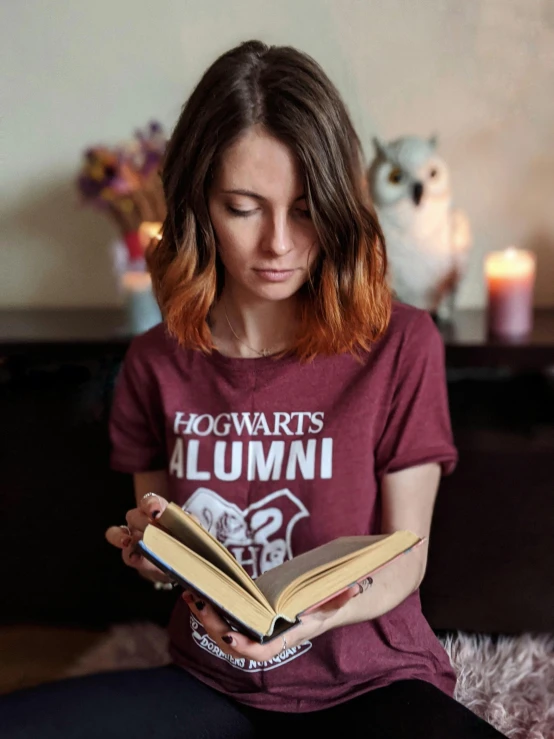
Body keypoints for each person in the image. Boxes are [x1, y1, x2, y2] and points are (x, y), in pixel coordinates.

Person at [1, 40, 506, 738]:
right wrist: (152, 556)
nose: (278, 243)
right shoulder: (156, 362)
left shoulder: (400, 344)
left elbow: (406, 554)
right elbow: (165, 551)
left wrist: (316, 613)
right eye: (243, 207)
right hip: (210, 683)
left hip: (368, 686)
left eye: (304, 209)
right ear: (198, 204)